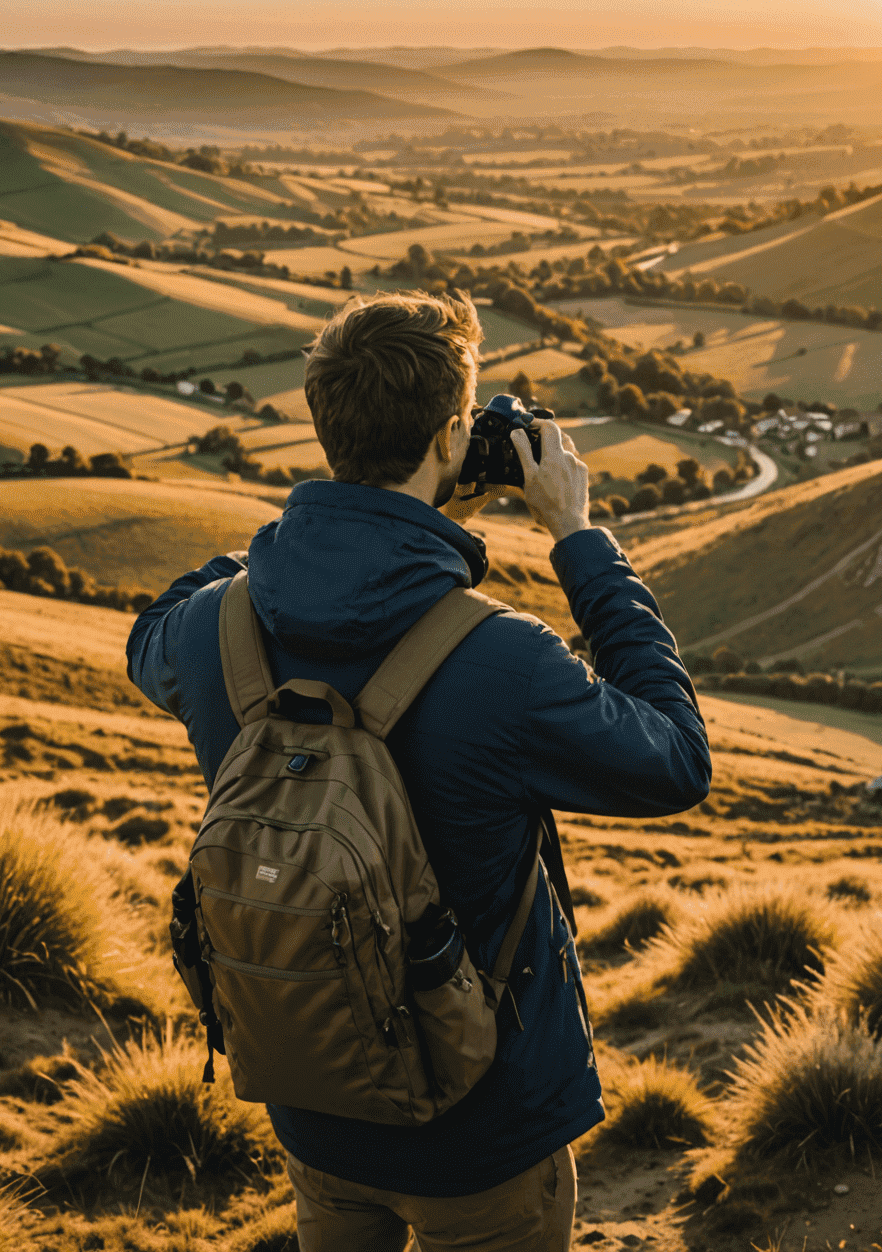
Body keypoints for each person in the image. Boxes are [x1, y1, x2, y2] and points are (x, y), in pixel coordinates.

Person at [127, 291, 710, 1251]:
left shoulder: (211, 631)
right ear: (452, 436)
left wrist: (325, 528)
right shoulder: (504, 662)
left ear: (327, 431)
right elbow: (677, 759)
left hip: (312, 1103)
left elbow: (154, 623)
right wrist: (577, 539)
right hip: (485, 1135)